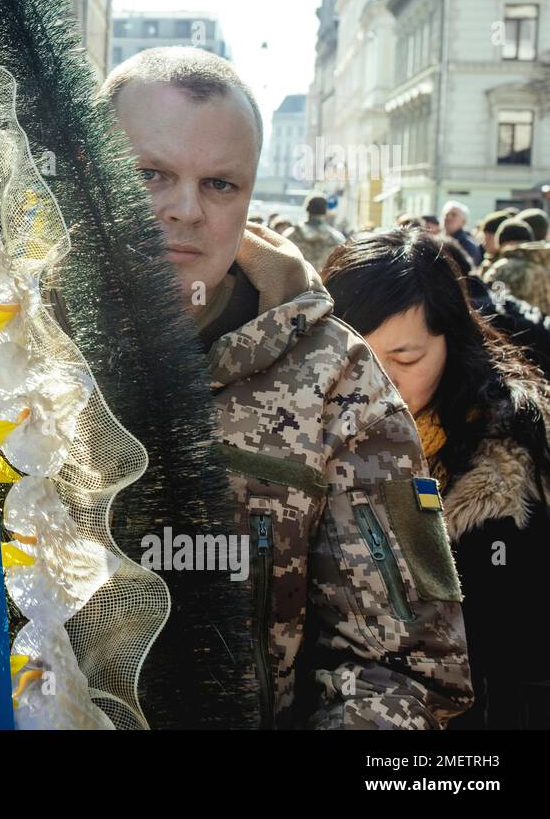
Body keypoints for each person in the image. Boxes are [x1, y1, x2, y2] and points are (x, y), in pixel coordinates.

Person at [100, 45, 471, 728]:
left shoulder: (334, 375)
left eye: (220, 185)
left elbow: (409, 663)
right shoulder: (6, 343)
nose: (184, 209)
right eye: (149, 174)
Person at [324, 228, 550, 728]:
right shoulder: (294, 437)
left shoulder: (520, 455)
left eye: (406, 358)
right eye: (355, 360)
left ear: (453, 341)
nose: (379, 383)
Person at [438, 236, 550, 380]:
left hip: (520, 353)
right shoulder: (545, 263)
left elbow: (499, 304)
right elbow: (502, 304)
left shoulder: (501, 268)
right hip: (538, 333)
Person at [483, 218, 550, 313]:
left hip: (519, 325)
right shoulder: (546, 262)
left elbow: (497, 305)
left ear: (503, 242)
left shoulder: (502, 269)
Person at [282, 193, 345, 272]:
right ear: (325, 211)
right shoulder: (337, 239)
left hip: (296, 281)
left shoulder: (290, 235)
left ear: (307, 209)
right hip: (325, 282)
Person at [443, 200, 484, 269]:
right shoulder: (437, 240)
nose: (448, 217)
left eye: (454, 215)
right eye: (446, 214)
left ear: (463, 222)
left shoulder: (468, 245)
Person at [477, 210, 515, 277]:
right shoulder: (487, 263)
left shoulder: (509, 265)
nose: (484, 243)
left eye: (489, 237)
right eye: (484, 237)